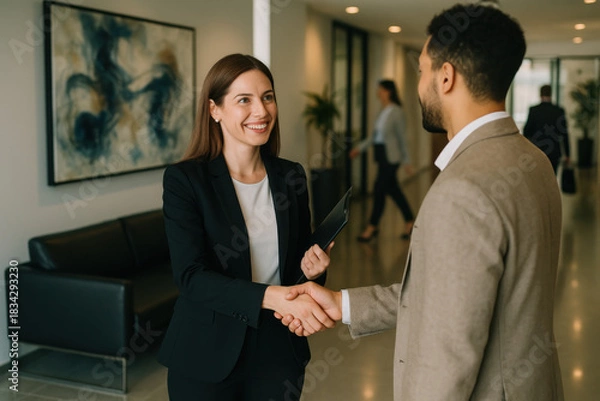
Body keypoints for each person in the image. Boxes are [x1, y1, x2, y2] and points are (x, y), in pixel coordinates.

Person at [278, 4, 564, 400]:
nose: (419, 83)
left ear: (446, 77)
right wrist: (343, 304)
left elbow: (448, 352)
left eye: (422, 71)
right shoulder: (535, 160)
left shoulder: (464, 189)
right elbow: (447, 296)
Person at [157, 53, 335, 401]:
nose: (261, 111)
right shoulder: (185, 181)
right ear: (215, 110)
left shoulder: (290, 176)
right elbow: (191, 276)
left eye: (267, 97)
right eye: (244, 100)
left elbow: (296, 270)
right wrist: (274, 297)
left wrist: (312, 272)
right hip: (206, 352)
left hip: (279, 350)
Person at [350, 79, 415, 241]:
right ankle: (410, 221)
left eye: (380, 90)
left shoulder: (397, 112)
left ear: (388, 91)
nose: (378, 92)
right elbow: (374, 136)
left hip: (391, 157)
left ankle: (372, 226)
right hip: (381, 155)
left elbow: (401, 138)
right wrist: (360, 148)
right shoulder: (382, 111)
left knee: (379, 189)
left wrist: (407, 161)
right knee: (394, 190)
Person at [523, 84, 571, 174]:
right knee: (552, 176)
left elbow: (527, 131)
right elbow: (564, 134)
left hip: (537, 151)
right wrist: (568, 154)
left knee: (538, 177)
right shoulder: (559, 110)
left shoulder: (534, 110)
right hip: (554, 152)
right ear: (551, 94)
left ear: (540, 94)